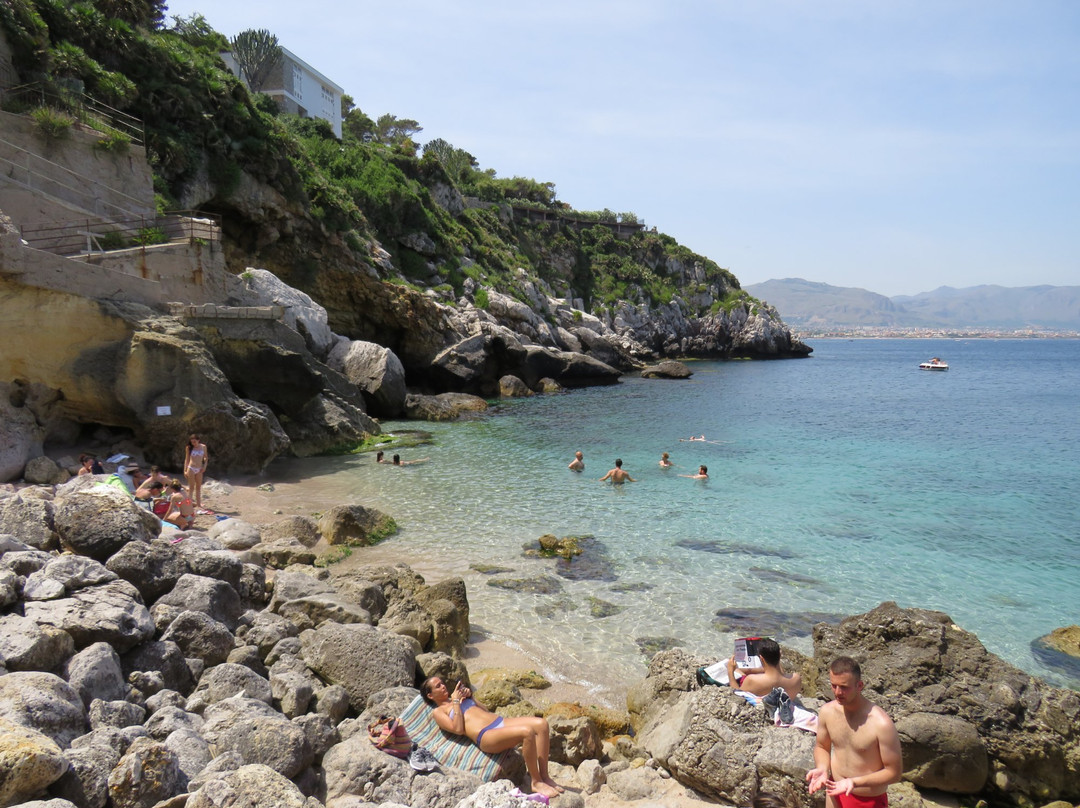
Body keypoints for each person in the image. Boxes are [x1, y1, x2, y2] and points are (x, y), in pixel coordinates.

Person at [421, 676, 563, 798]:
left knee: (542, 724)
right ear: (430, 695)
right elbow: (458, 729)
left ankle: (545, 776)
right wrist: (456, 702)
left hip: (500, 722)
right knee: (527, 733)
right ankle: (536, 782)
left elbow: (485, 710)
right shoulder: (439, 711)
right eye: (437, 686)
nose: (443, 686)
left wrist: (471, 697)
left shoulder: (457, 698)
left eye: (442, 683)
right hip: (486, 735)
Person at [806, 657, 902, 808]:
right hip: (835, 790)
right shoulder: (827, 712)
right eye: (833, 686)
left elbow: (894, 772)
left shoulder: (880, 723)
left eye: (844, 687)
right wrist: (823, 768)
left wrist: (853, 782)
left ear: (860, 686)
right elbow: (822, 747)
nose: (838, 692)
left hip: (867, 799)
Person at [724, 638, 801, 699]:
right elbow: (780, 672)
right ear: (780, 654)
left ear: (761, 658)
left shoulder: (752, 680)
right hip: (774, 684)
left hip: (761, 687)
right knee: (742, 670)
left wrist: (730, 672)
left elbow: (737, 695)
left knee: (737, 670)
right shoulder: (796, 679)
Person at [183, 435, 208, 509]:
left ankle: (199, 504)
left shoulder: (203, 447)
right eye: (192, 442)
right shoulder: (189, 448)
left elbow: (206, 458)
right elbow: (186, 459)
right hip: (191, 468)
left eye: (195, 441)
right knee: (191, 488)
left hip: (199, 468)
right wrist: (185, 470)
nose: (193, 443)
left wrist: (204, 466)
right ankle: (188, 504)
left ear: (198, 440)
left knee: (198, 487)